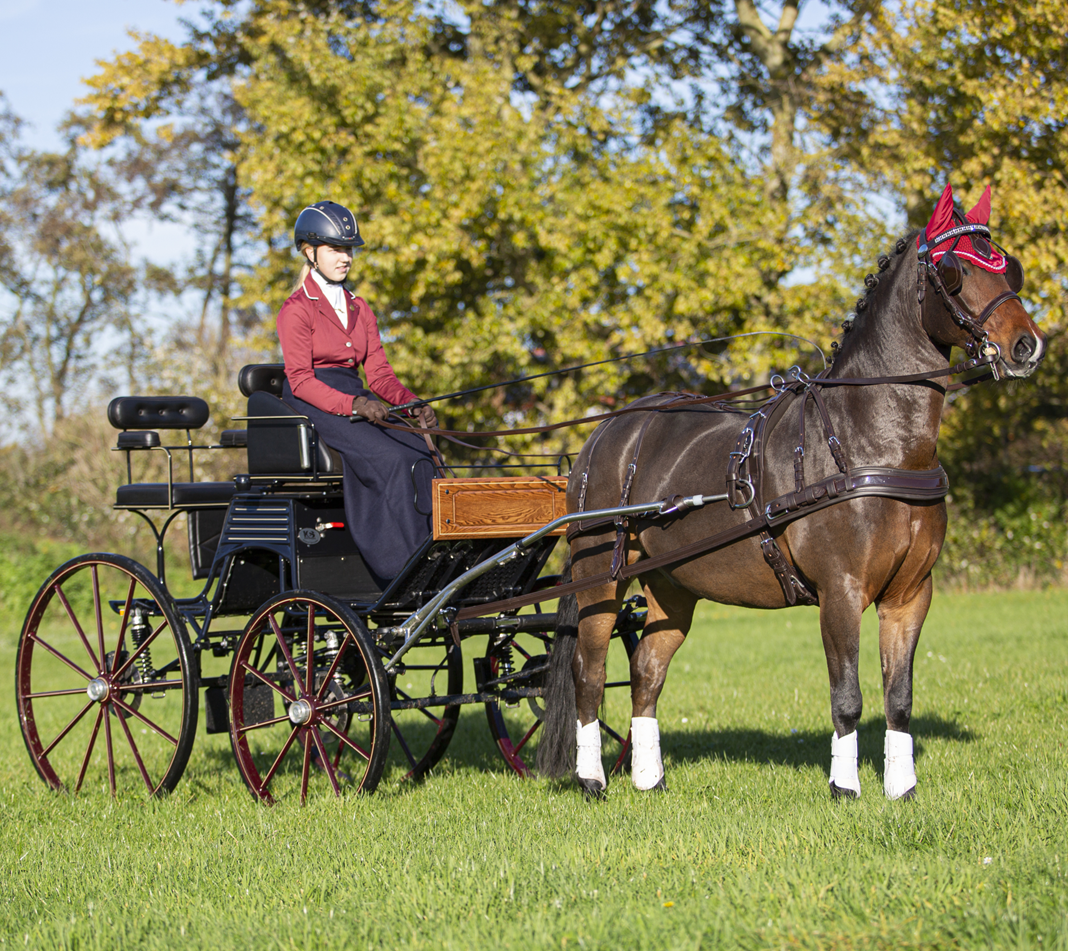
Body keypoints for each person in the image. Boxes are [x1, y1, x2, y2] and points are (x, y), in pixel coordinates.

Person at [276, 200, 438, 582]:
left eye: (348, 249)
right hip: (314, 402)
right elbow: (300, 380)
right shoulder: (296, 309)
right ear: (310, 252)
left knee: (421, 450)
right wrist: (354, 405)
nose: (345, 258)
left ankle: (437, 551)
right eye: (335, 249)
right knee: (393, 459)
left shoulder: (360, 308)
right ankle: (403, 565)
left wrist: (411, 404)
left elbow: (379, 374)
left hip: (357, 396)